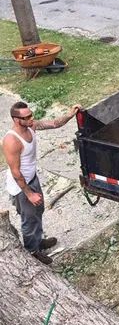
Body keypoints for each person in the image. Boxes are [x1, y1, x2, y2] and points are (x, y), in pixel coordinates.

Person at [2, 101, 81, 264]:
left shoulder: (31, 126)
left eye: (31, 114)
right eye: (27, 117)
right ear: (17, 120)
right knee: (29, 219)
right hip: (21, 187)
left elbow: (53, 123)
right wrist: (29, 194)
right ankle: (32, 252)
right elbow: (16, 172)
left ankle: (38, 241)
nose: (32, 118)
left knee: (38, 211)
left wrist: (70, 114)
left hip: (32, 178)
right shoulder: (11, 141)